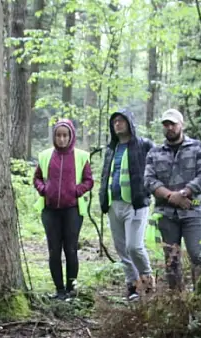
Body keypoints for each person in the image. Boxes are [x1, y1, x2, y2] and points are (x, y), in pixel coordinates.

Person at [144, 109, 201, 291]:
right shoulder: (154, 153)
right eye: (166, 124)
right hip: (166, 214)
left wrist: (184, 193)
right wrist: (171, 196)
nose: (169, 128)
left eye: (173, 124)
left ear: (181, 124)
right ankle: (177, 300)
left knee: (197, 256)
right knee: (171, 260)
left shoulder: (198, 147)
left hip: (193, 211)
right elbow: (149, 180)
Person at [33, 119, 94, 299]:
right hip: (50, 211)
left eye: (65, 135)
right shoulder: (45, 156)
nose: (61, 139)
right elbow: (37, 178)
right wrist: (44, 189)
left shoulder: (82, 156)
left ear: (71, 136)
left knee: (71, 249)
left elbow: (89, 180)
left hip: (72, 210)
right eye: (58, 135)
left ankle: (71, 289)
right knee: (53, 250)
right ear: (54, 136)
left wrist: (76, 190)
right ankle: (59, 290)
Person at [100, 109, 155, 301]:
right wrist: (103, 200)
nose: (117, 124)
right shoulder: (111, 149)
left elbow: (156, 167)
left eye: (121, 120)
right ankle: (132, 286)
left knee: (134, 247)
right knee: (122, 249)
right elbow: (106, 175)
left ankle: (148, 282)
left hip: (136, 204)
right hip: (114, 204)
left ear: (130, 122)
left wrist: (149, 191)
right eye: (114, 121)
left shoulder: (143, 145)